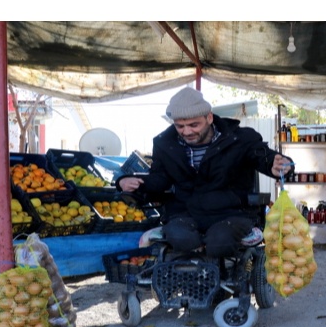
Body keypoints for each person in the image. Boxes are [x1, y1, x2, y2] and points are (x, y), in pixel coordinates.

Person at [117, 87, 294, 258]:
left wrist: (276, 164)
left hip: (232, 213)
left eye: (194, 125)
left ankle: (225, 277)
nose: (187, 132)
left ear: (209, 117)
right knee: (180, 238)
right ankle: (196, 278)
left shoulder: (240, 138)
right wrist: (131, 182)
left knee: (219, 242)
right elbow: (160, 178)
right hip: (185, 213)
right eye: (180, 126)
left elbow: (262, 156)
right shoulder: (165, 143)